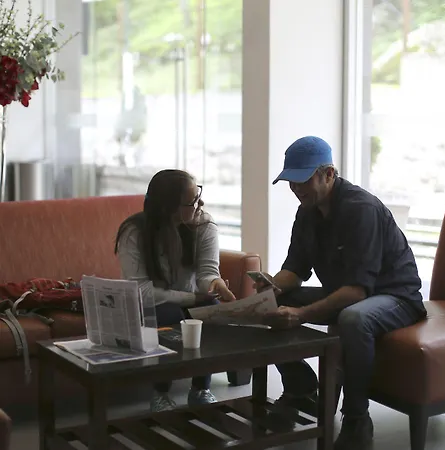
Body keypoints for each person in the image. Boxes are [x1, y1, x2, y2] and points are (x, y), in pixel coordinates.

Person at [256, 136, 427, 450]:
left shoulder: (361, 209)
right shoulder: (307, 211)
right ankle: (300, 387)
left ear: (329, 174)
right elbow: (295, 269)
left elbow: (357, 292)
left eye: (303, 180)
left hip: (395, 297)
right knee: (273, 302)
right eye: (291, 181)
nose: (296, 189)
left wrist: (301, 315)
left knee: (353, 318)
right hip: (349, 293)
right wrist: (272, 286)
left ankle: (356, 419)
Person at [115, 169, 236, 412]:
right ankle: (160, 392)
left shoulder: (204, 225)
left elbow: (207, 273)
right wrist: (193, 297)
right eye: (192, 201)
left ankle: (201, 388)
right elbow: (142, 292)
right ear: (168, 208)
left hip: (190, 298)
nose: (200, 203)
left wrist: (215, 284)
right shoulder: (134, 232)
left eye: (198, 194)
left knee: (211, 310)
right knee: (171, 314)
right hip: (150, 305)